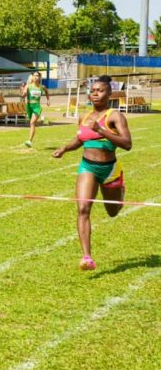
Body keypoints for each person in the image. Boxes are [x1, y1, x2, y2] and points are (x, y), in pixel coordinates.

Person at [52, 75, 131, 271]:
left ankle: (119, 189)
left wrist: (102, 130)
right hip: (87, 167)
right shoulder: (84, 117)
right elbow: (80, 140)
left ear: (110, 93)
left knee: (113, 212)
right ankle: (87, 257)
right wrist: (64, 149)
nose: (95, 93)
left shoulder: (115, 116)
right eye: (93, 90)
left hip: (110, 169)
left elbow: (127, 144)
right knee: (83, 209)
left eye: (100, 90)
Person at [21, 71, 50, 148]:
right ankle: (42, 122)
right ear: (32, 77)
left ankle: (29, 141)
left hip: (37, 107)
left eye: (37, 76)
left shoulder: (42, 87)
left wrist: (48, 100)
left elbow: (47, 92)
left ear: (39, 77)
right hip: (29, 106)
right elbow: (23, 95)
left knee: (32, 122)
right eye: (34, 76)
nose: (36, 77)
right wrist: (23, 93)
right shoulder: (28, 86)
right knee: (32, 124)